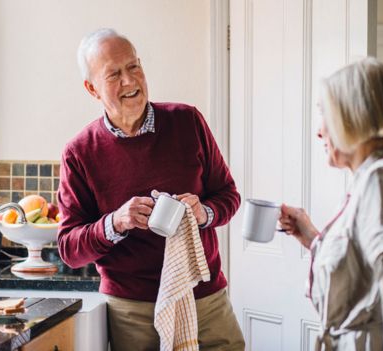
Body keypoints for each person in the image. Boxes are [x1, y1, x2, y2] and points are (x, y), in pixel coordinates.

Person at [57, 28, 245, 350]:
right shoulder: (79, 152)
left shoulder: (188, 121)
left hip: (205, 296)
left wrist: (204, 212)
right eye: (114, 74)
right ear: (92, 88)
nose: (130, 81)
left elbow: (228, 195)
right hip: (132, 309)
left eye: (134, 67)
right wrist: (115, 223)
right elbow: (69, 249)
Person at [279, 58, 383, 351]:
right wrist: (312, 237)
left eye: (325, 115)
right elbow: (363, 271)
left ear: (353, 116)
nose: (319, 132)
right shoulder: (373, 178)